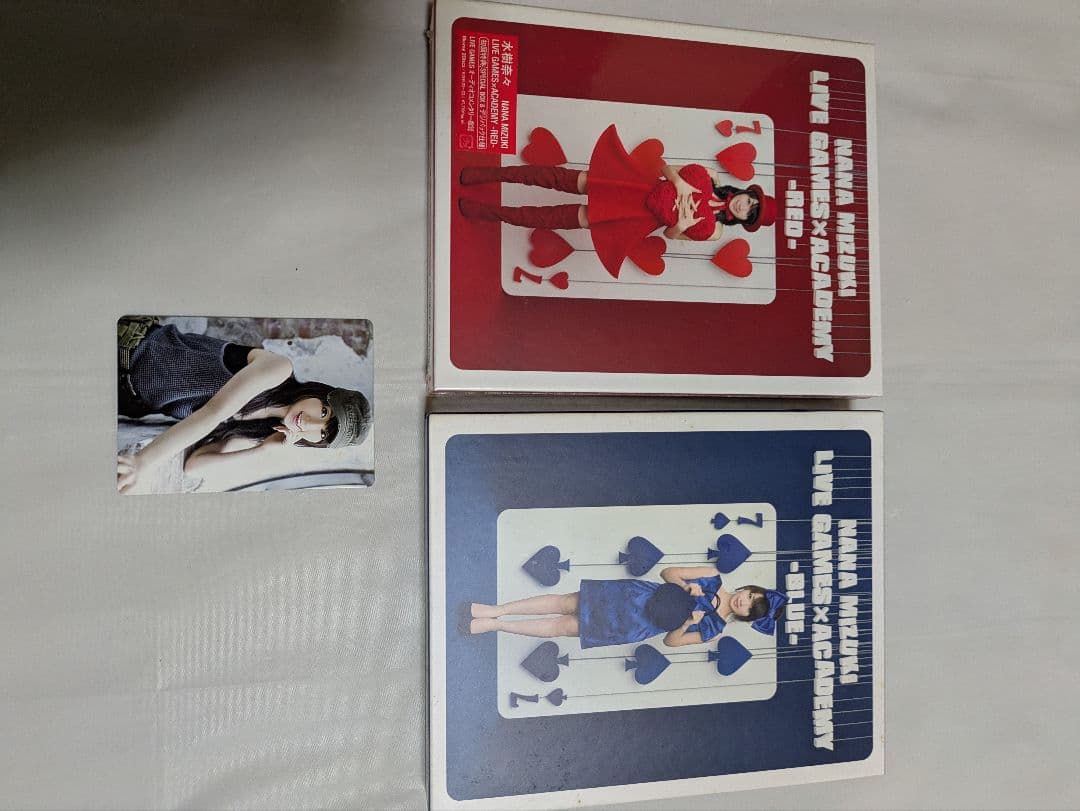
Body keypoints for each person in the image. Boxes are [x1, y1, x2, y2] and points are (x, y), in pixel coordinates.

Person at [457, 124, 777, 277]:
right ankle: (486, 174)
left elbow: (671, 234)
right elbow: (667, 168)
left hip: (636, 219)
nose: (745, 206)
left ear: (744, 221)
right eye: (751, 201)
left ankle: (486, 212)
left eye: (750, 213)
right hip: (633, 187)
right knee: (554, 178)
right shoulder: (711, 177)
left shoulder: (715, 231)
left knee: (552, 218)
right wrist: (680, 185)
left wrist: (683, 222)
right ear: (747, 193)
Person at [116, 318, 371, 493]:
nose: (310, 424)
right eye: (324, 412)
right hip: (129, 347)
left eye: (322, 434)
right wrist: (142, 463)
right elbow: (213, 413)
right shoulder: (279, 369)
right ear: (321, 393)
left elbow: (194, 465)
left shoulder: (261, 431)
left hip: (126, 399)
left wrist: (261, 451)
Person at [466, 566, 788, 649]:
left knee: (564, 627)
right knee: (566, 602)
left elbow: (671, 641)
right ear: (748, 589)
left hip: (636, 625)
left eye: (750, 608)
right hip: (633, 596)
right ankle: (497, 609)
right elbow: (668, 573)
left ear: (747, 617)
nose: (744, 602)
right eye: (751, 596)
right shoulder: (712, 577)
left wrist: (688, 621)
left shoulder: (714, 630)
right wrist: (687, 588)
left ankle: (497, 625)